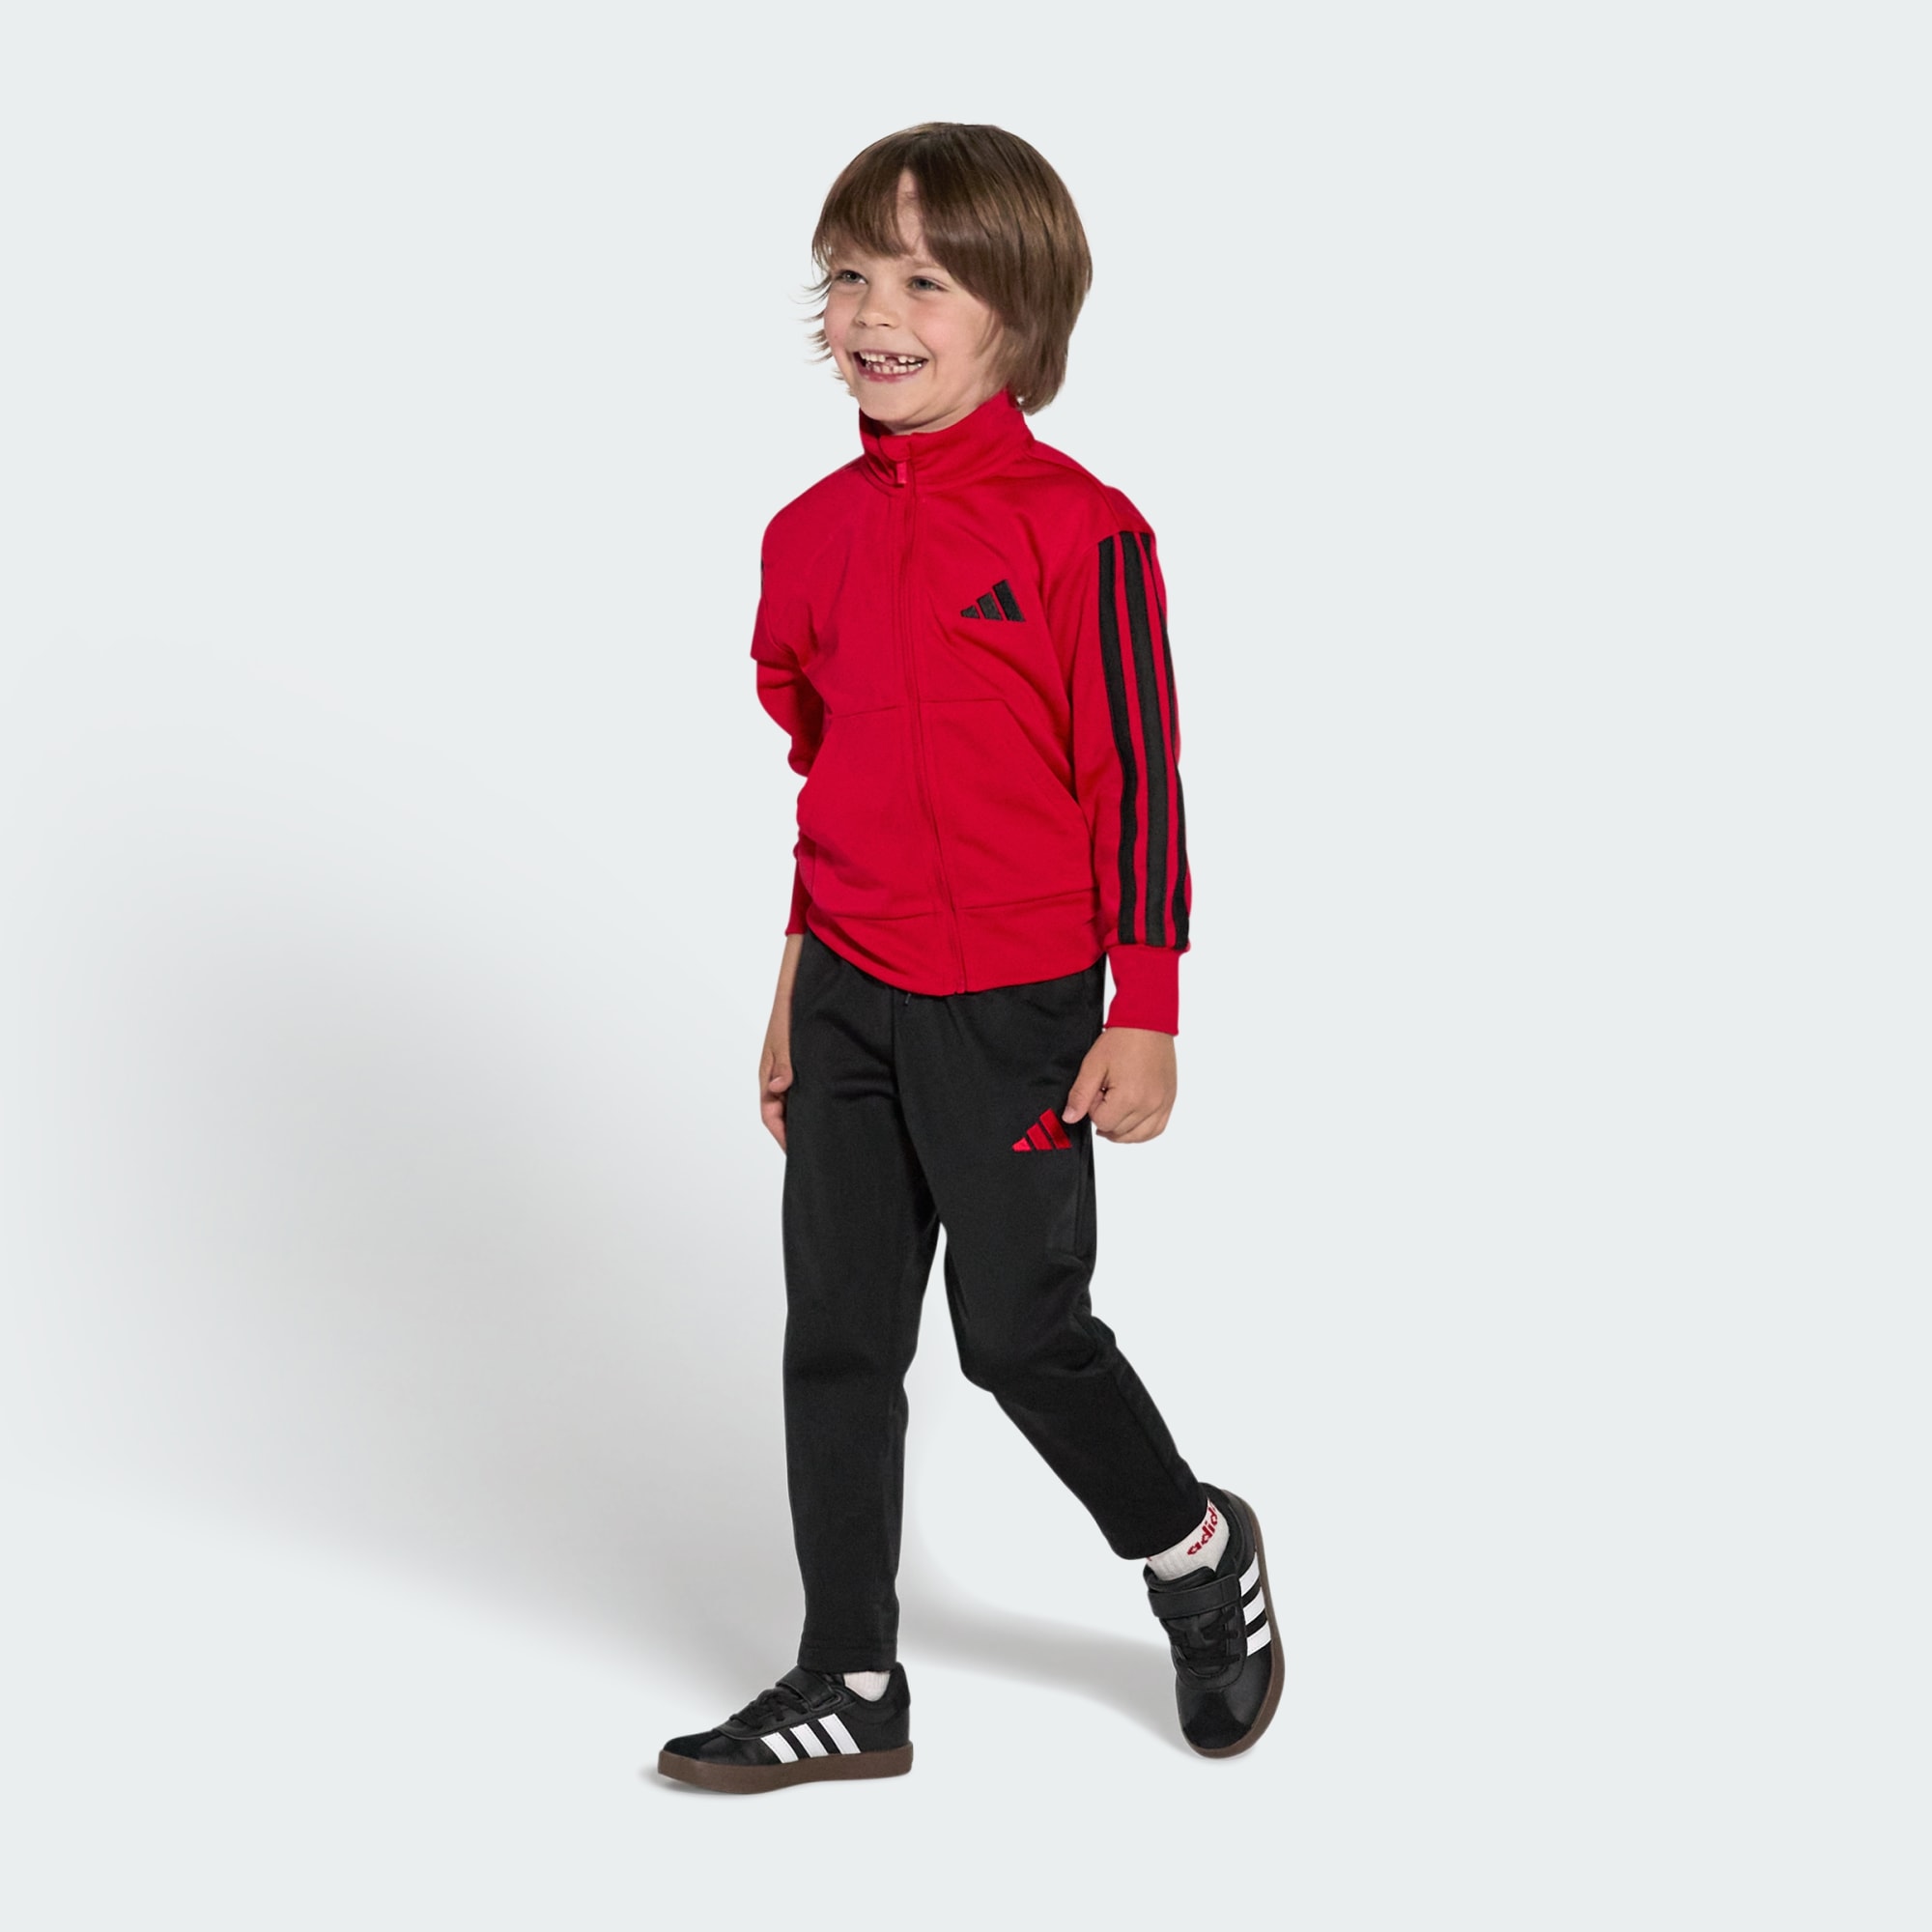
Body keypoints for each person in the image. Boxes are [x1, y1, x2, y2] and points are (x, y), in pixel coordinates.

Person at [657, 122, 1277, 1794]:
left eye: (925, 279)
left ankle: (1194, 1548)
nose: (875, 310)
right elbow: (829, 774)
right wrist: (793, 989)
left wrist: (1145, 1006)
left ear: (1020, 313)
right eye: (851, 273)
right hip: (849, 986)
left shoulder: (1083, 530)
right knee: (840, 1338)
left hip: (1015, 1005)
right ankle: (850, 1675)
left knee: (1018, 1331)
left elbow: (1135, 778)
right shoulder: (806, 535)